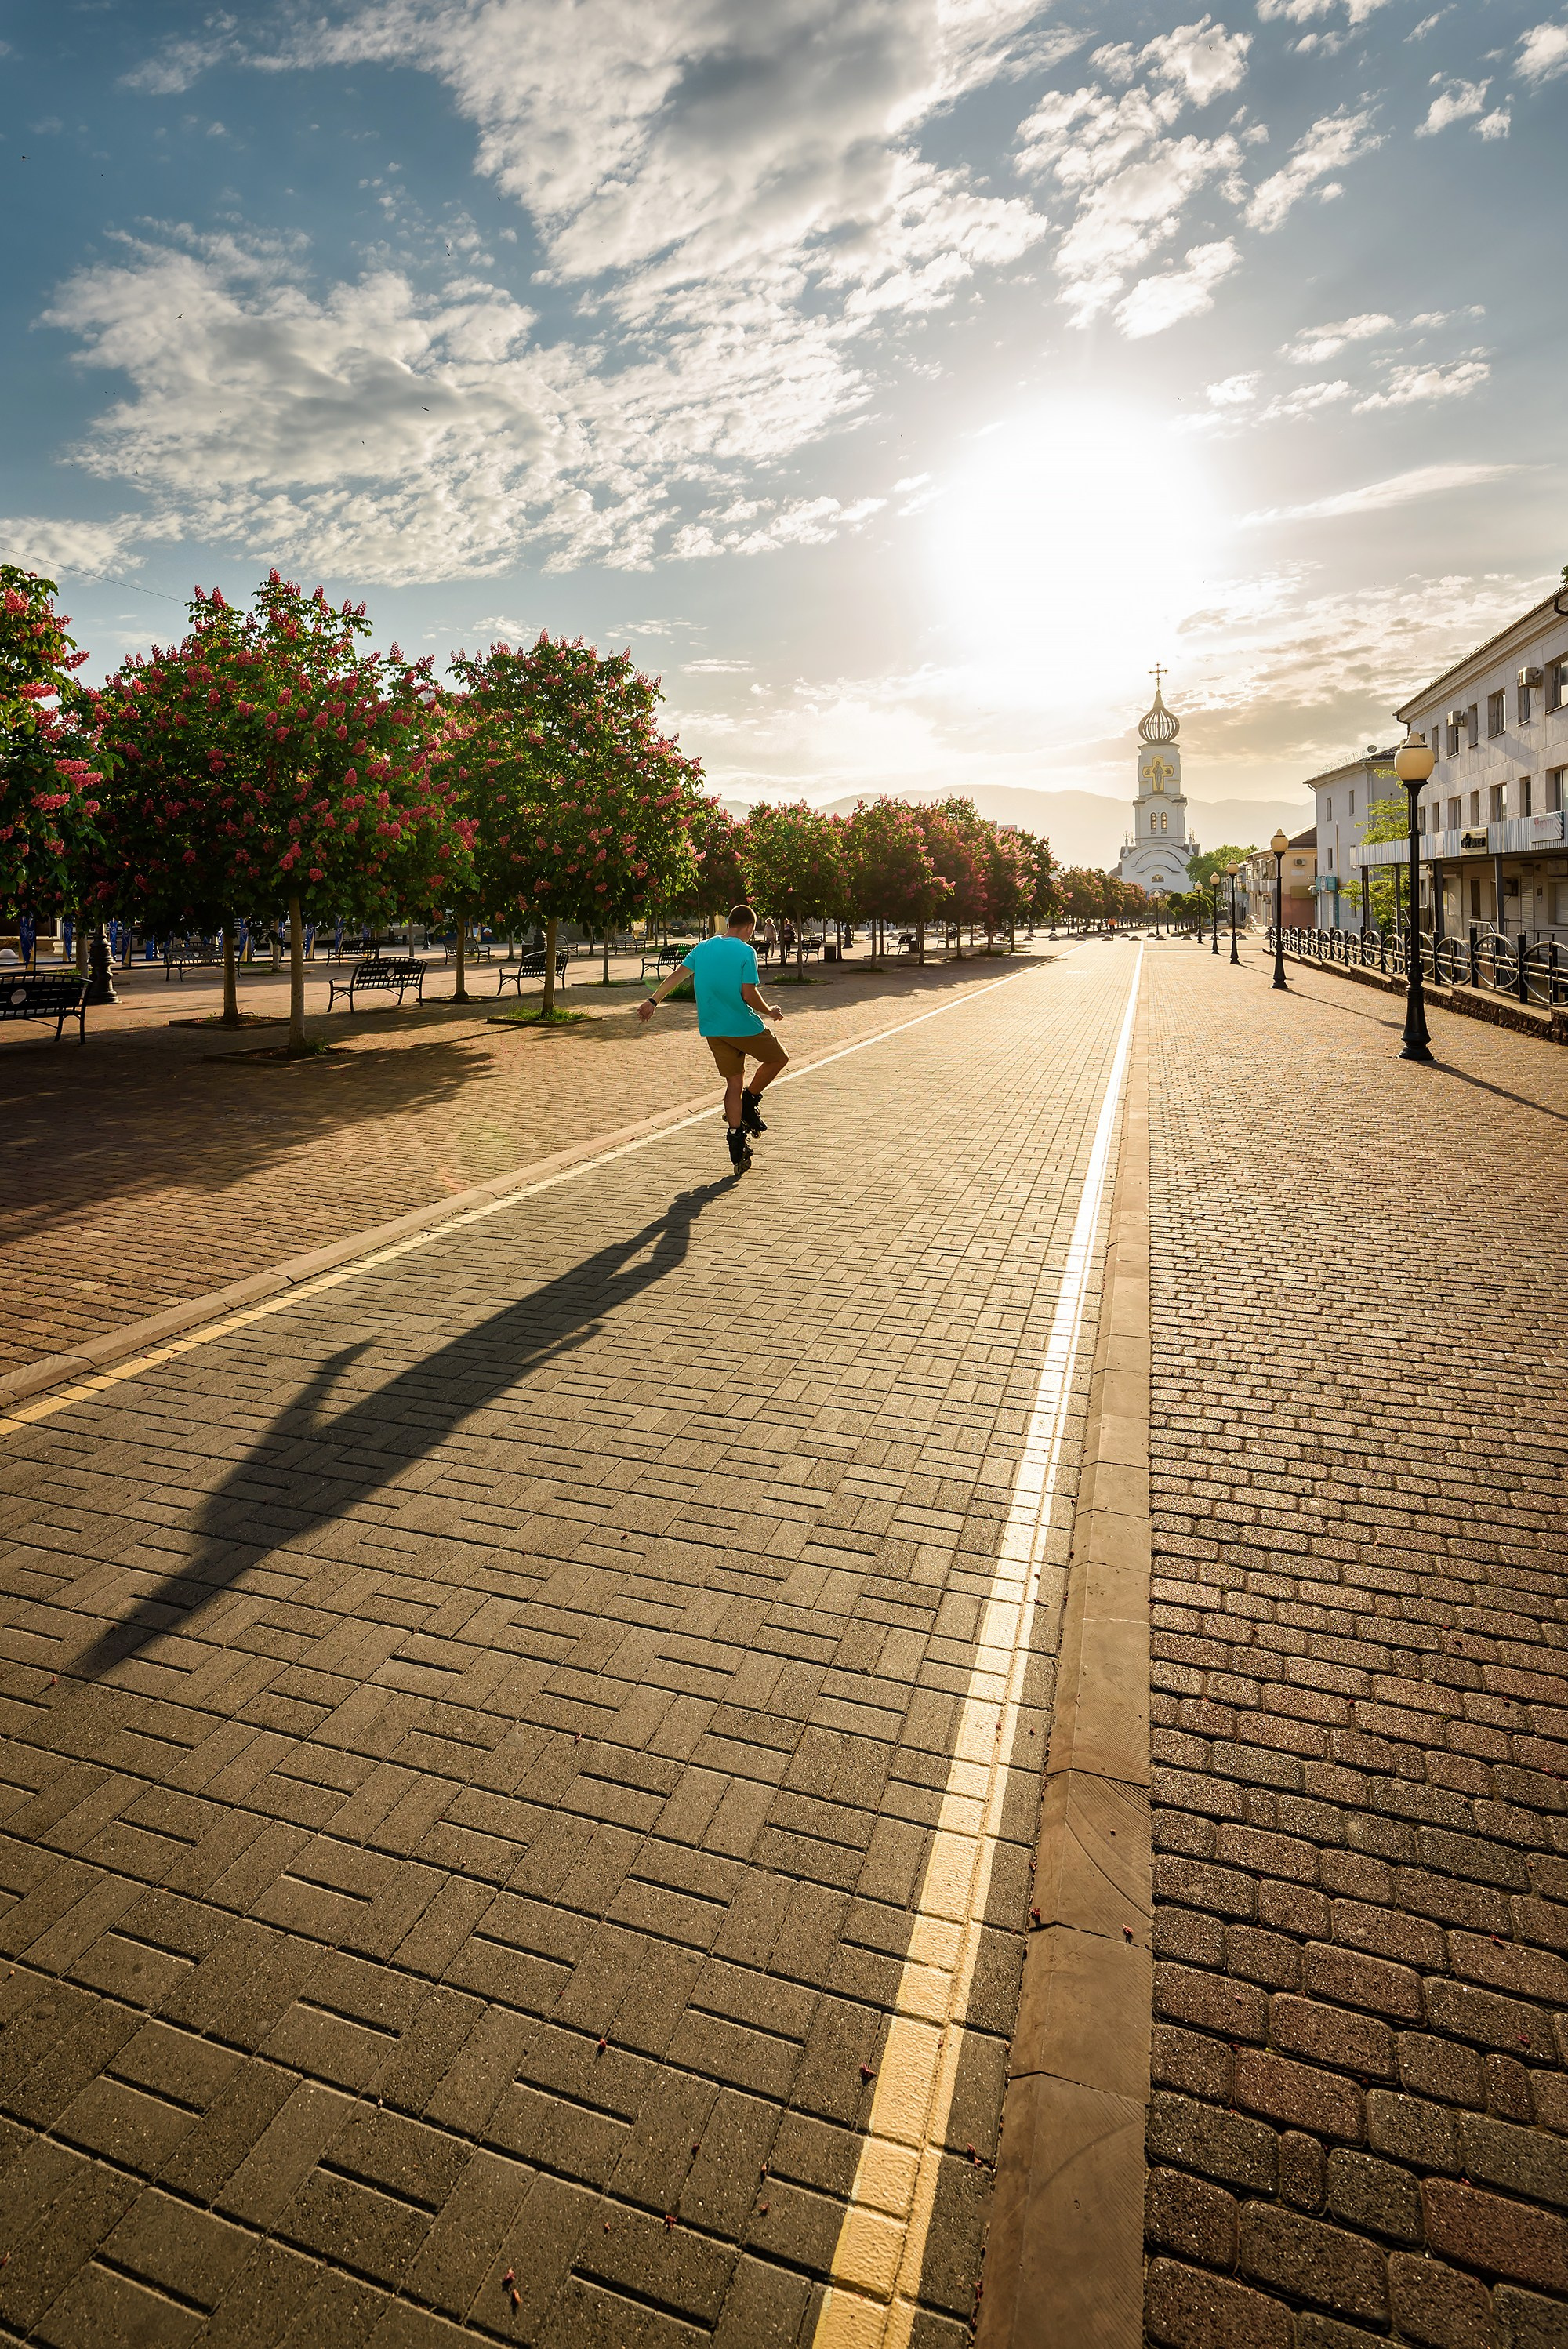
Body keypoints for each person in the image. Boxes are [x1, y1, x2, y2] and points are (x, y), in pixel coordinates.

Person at [637, 902, 786, 1173]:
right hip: (743, 1026)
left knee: (733, 1083)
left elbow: (677, 975)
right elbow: (748, 994)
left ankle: (736, 1140)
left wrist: (653, 1001)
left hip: (714, 1029)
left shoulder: (703, 948)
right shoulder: (746, 951)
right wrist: (770, 1011)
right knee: (778, 1058)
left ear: (729, 923)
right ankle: (750, 1101)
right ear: (750, 927)